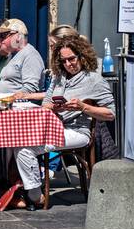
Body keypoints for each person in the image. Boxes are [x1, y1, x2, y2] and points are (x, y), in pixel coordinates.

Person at [13, 35, 116, 209]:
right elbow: (46, 103)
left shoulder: (94, 80)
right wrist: (53, 107)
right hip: (54, 127)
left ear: (82, 56)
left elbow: (110, 114)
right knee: (15, 141)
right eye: (64, 61)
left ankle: (34, 196)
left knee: (25, 148)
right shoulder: (59, 77)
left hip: (78, 131)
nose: (69, 64)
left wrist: (83, 107)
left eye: (72, 59)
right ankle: (21, 189)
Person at [0, 19, 46, 96]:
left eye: (3, 36)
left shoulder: (30, 55)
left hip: (19, 105)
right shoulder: (13, 54)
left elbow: (30, 89)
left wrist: (9, 100)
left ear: (18, 37)